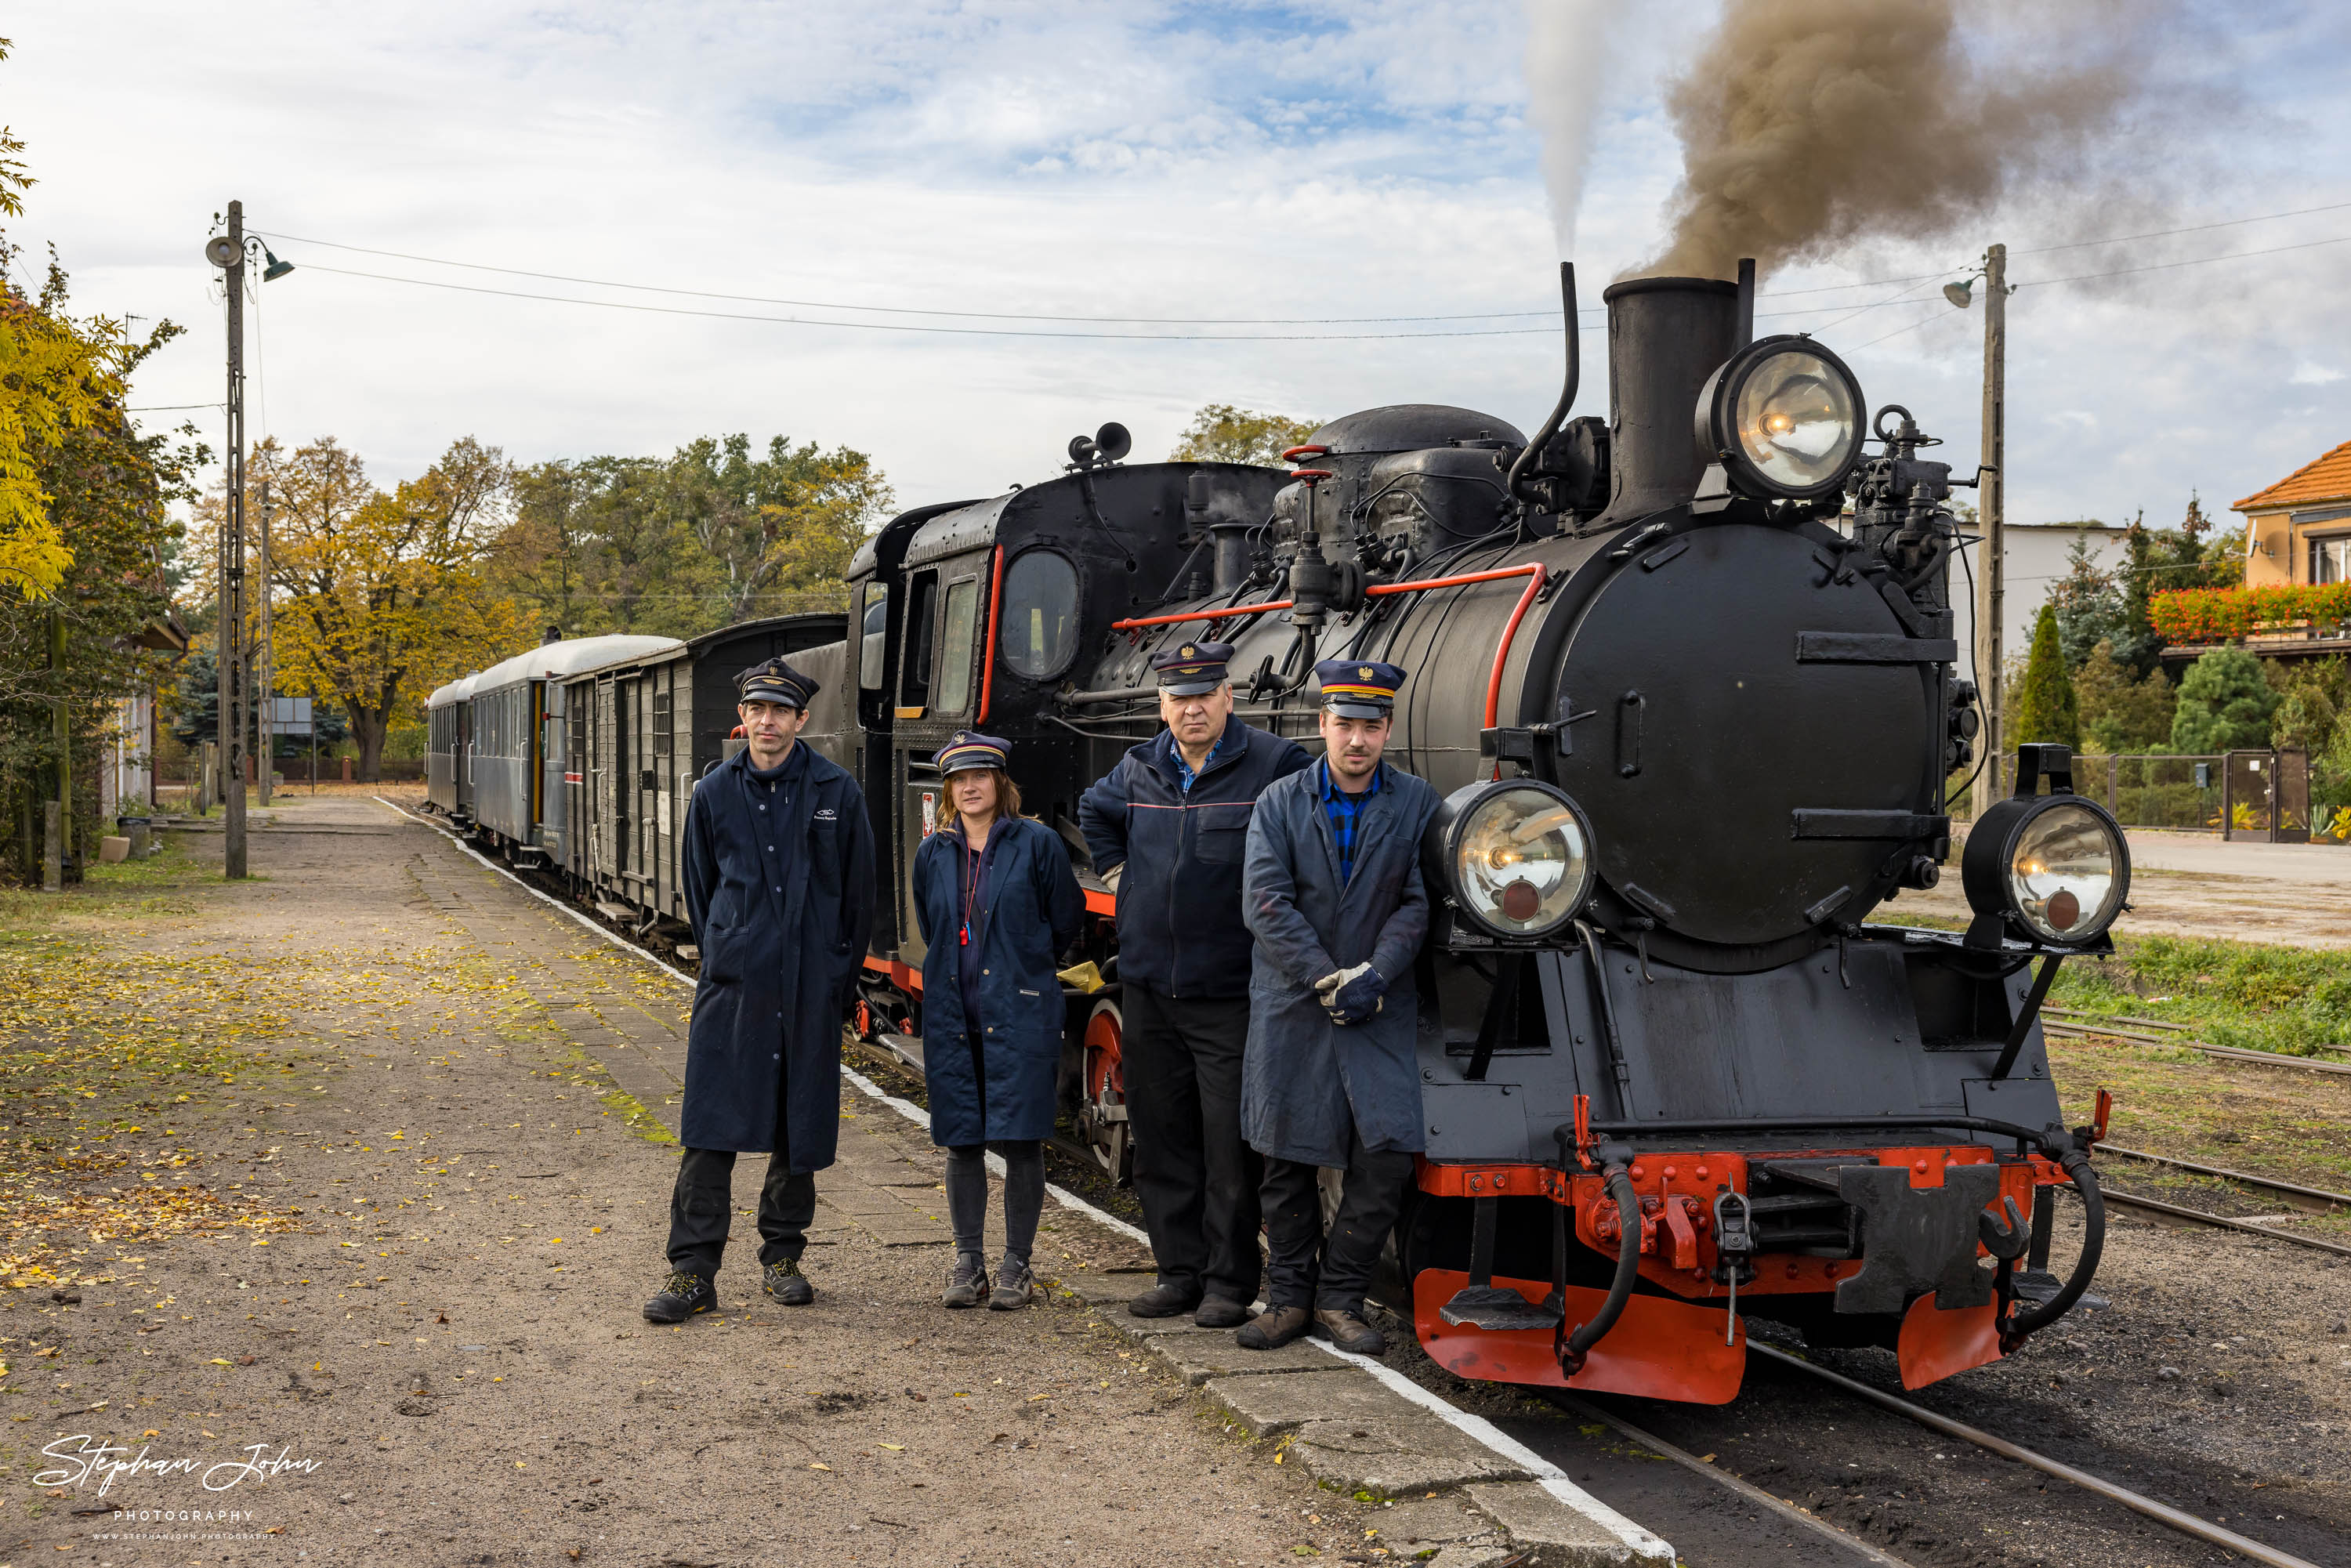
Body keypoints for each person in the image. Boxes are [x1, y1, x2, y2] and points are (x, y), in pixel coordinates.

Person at [1078, 639, 1312, 1327]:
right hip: (1150, 988)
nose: (1192, 709)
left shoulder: (1274, 764)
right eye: (1179, 699)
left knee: (1228, 1150)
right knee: (1162, 1138)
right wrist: (1123, 879)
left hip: (1231, 993)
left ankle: (1228, 1285)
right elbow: (1095, 811)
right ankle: (1176, 1272)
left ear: (1227, 697)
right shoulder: (1139, 765)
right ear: (1163, 706)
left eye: (1204, 696)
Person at [644, 657, 875, 1324]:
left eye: (781, 710)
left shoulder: (837, 791)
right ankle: (692, 1272)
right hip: (735, 986)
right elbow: (702, 886)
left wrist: (835, 974)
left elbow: (857, 897)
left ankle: (782, 1257)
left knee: (795, 1125)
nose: (768, 721)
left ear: (802, 719)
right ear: (742, 718)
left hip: (809, 986)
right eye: (757, 709)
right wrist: (730, 952)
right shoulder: (713, 793)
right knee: (709, 1128)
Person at [1235, 659, 1437, 1356]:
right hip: (1295, 1000)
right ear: (1322, 724)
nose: (1357, 739)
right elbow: (1265, 902)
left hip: (1379, 1001)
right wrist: (1328, 977)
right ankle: (1288, 1298)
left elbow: (1418, 901)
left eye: (1370, 726)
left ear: (1387, 729)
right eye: (1344, 724)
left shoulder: (1416, 803)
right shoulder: (1280, 801)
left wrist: (1375, 973)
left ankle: (1341, 1298)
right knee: (1285, 1157)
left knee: (1384, 1155)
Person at [911, 731, 1083, 1311]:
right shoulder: (932, 853)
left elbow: (1066, 922)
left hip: (1019, 1013)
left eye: (980, 776)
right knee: (962, 1140)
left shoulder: (1037, 844)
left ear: (1000, 782)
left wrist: (1023, 973)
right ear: (949, 788)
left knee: (1021, 1139)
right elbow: (933, 925)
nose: (970, 786)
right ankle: (968, 1262)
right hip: (953, 1015)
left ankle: (1017, 1263)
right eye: (959, 779)